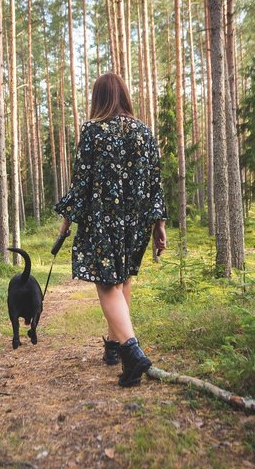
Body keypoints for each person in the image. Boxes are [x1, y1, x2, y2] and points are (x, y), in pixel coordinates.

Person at [54, 73, 167, 387]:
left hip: (104, 217)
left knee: (107, 283)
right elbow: (156, 184)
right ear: (125, 96)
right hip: (137, 219)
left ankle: (132, 352)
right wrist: (159, 225)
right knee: (122, 277)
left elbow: (82, 181)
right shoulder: (145, 132)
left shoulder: (93, 131)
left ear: (98, 98)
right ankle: (114, 346)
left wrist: (67, 219)